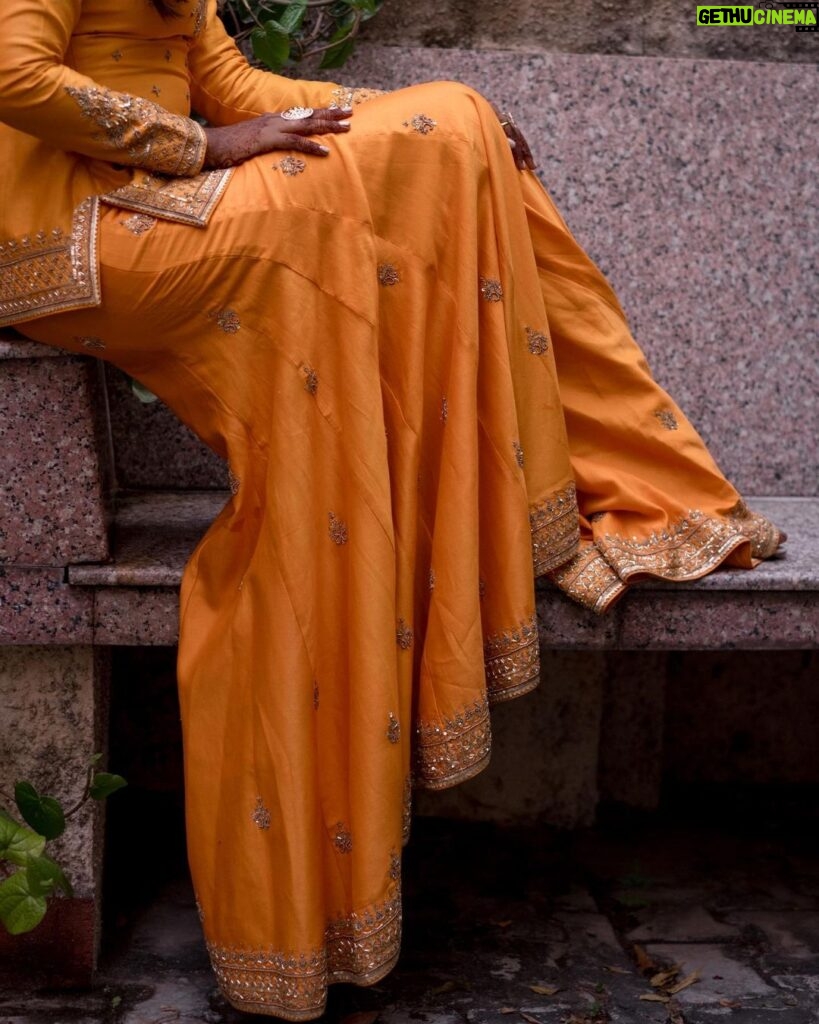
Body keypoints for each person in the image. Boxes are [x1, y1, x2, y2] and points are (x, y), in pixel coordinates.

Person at [0, 0, 784, 1018]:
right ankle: (365, 530)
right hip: (64, 231)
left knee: (443, 137)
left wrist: (419, 115)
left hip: (158, 193)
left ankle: (407, 511)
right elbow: (18, 77)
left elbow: (251, 96)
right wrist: (198, 144)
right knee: (304, 221)